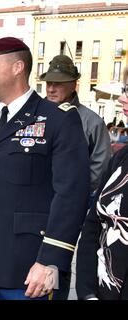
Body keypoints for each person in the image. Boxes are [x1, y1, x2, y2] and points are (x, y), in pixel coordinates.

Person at [0, 37, 90, 300]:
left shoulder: (59, 120)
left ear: (17, 67)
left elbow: (71, 195)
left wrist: (50, 261)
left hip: (30, 268)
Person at [39, 55, 111, 299]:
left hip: (66, 207)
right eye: (48, 82)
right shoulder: (34, 115)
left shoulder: (91, 121)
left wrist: (68, 192)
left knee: (56, 262)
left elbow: (99, 169)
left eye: (58, 83)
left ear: (74, 84)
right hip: (32, 206)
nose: (51, 87)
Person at [76, 66, 128, 300]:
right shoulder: (121, 157)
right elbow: (93, 225)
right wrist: (87, 292)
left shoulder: (92, 121)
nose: (121, 98)